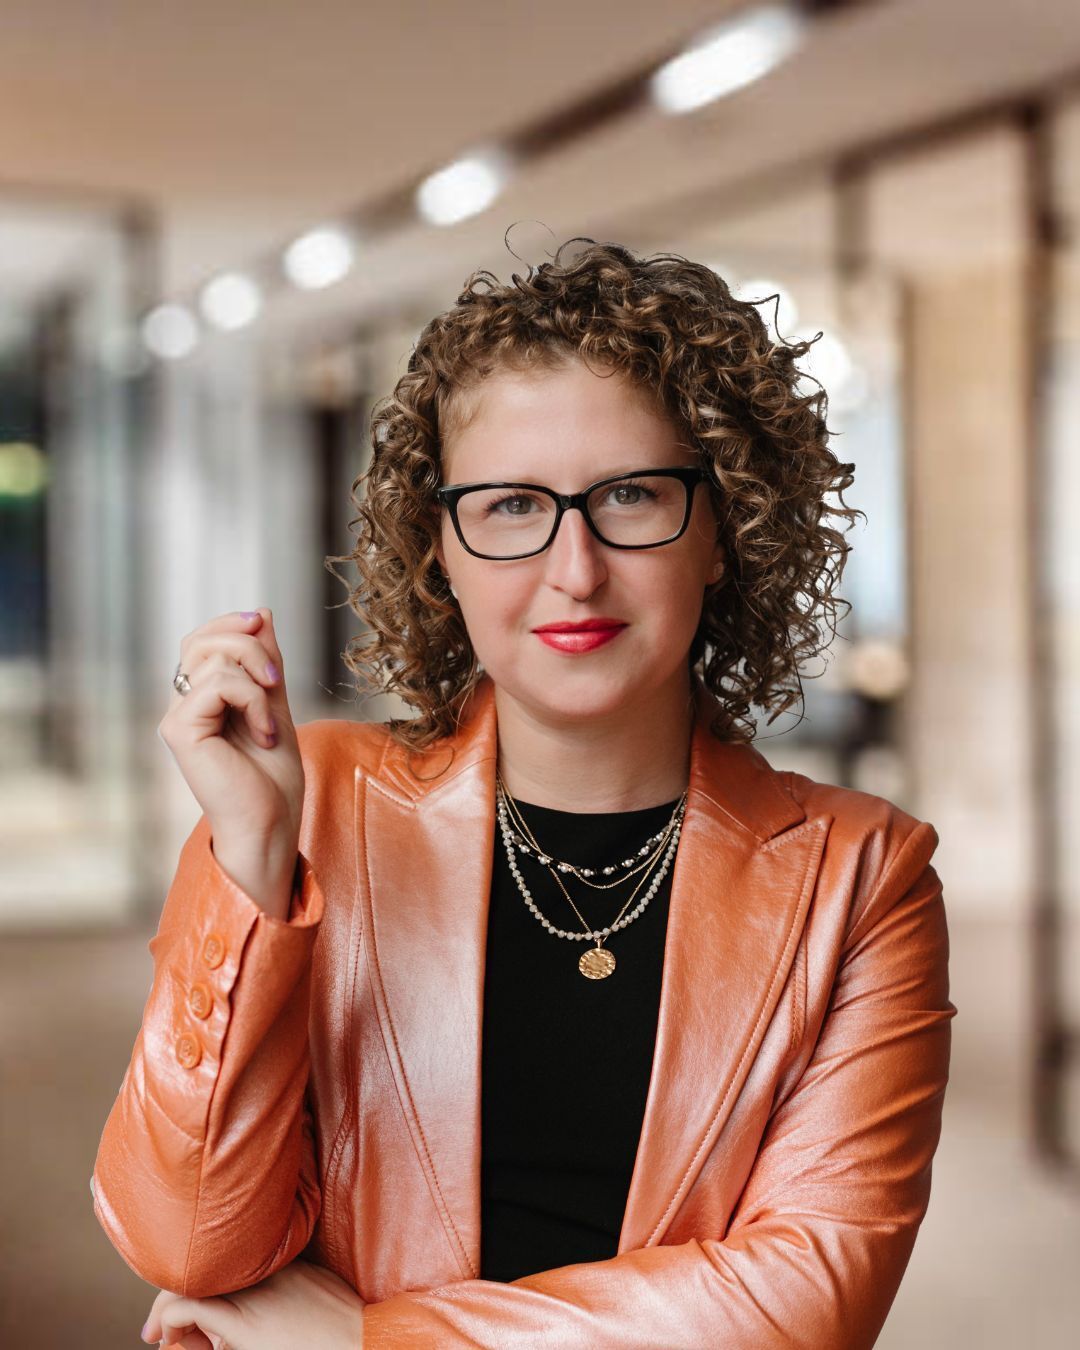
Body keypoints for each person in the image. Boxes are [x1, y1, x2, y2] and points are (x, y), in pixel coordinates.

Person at [93, 237, 956, 1349]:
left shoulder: (862, 875)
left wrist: (364, 1341)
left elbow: (803, 1302)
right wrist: (253, 869)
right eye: (510, 507)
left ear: (724, 532)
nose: (575, 568)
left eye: (633, 496)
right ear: (440, 549)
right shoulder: (315, 811)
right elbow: (188, 1244)